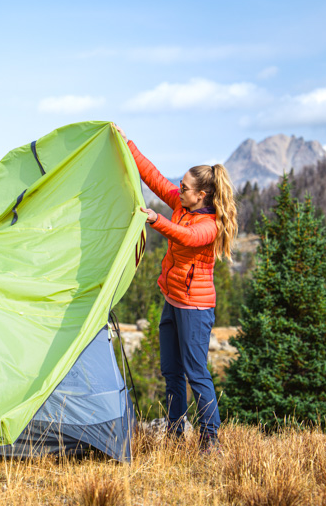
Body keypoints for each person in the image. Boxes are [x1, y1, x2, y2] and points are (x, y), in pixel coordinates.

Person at [114, 124, 238, 452]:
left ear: (202, 195)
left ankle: (211, 439)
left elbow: (187, 238)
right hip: (173, 300)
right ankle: (173, 433)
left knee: (196, 374)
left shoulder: (209, 225)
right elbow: (154, 177)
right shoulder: (183, 207)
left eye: (184, 188)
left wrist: (156, 220)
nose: (178, 190)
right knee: (171, 371)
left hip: (195, 309)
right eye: (180, 186)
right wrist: (127, 143)